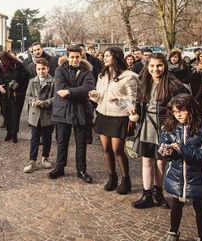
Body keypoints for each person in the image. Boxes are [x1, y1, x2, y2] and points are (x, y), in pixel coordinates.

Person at [160, 94, 202, 241]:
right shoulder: (169, 127)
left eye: (181, 110)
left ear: (191, 109)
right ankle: (172, 233)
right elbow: (162, 146)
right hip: (177, 176)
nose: (177, 114)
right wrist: (166, 152)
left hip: (198, 176)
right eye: (174, 111)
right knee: (176, 205)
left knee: (200, 209)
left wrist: (183, 150)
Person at [130, 53, 189, 209]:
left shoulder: (173, 84)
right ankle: (146, 194)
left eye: (159, 65)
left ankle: (158, 193)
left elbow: (183, 103)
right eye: (152, 66)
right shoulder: (143, 82)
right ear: (147, 66)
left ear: (165, 66)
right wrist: (134, 111)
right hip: (147, 126)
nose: (155, 69)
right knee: (147, 161)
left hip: (165, 128)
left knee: (161, 163)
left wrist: (173, 123)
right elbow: (137, 102)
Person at [89, 47, 138, 194]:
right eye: (104, 56)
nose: (105, 58)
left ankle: (126, 178)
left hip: (119, 115)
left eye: (108, 55)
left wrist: (119, 99)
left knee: (117, 149)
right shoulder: (102, 75)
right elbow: (101, 96)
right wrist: (95, 95)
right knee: (106, 149)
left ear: (116, 57)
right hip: (103, 114)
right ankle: (112, 176)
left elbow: (133, 99)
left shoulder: (128, 76)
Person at [48, 45, 95, 183]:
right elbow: (60, 89)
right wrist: (77, 91)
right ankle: (60, 167)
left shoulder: (87, 71)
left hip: (81, 111)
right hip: (63, 111)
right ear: (67, 57)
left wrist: (69, 92)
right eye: (72, 57)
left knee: (81, 143)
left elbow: (88, 88)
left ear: (81, 57)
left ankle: (81, 170)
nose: (75, 59)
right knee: (62, 141)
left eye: (77, 57)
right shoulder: (59, 70)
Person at [23, 58, 54, 173]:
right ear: (36, 69)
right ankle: (32, 160)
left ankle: (45, 157)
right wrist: (33, 101)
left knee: (47, 137)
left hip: (48, 113)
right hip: (35, 113)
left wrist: (45, 103)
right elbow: (28, 95)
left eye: (43, 69)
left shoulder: (53, 81)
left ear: (48, 69)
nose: (41, 71)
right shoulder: (32, 81)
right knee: (34, 137)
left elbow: (56, 97)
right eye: (39, 69)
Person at [0, 51, 29, 143]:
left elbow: (25, 77)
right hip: (5, 94)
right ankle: (8, 132)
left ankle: (14, 134)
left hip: (16, 94)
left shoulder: (18, 65)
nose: (0, 61)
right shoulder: (0, 67)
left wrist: (17, 85)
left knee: (15, 114)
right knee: (6, 114)